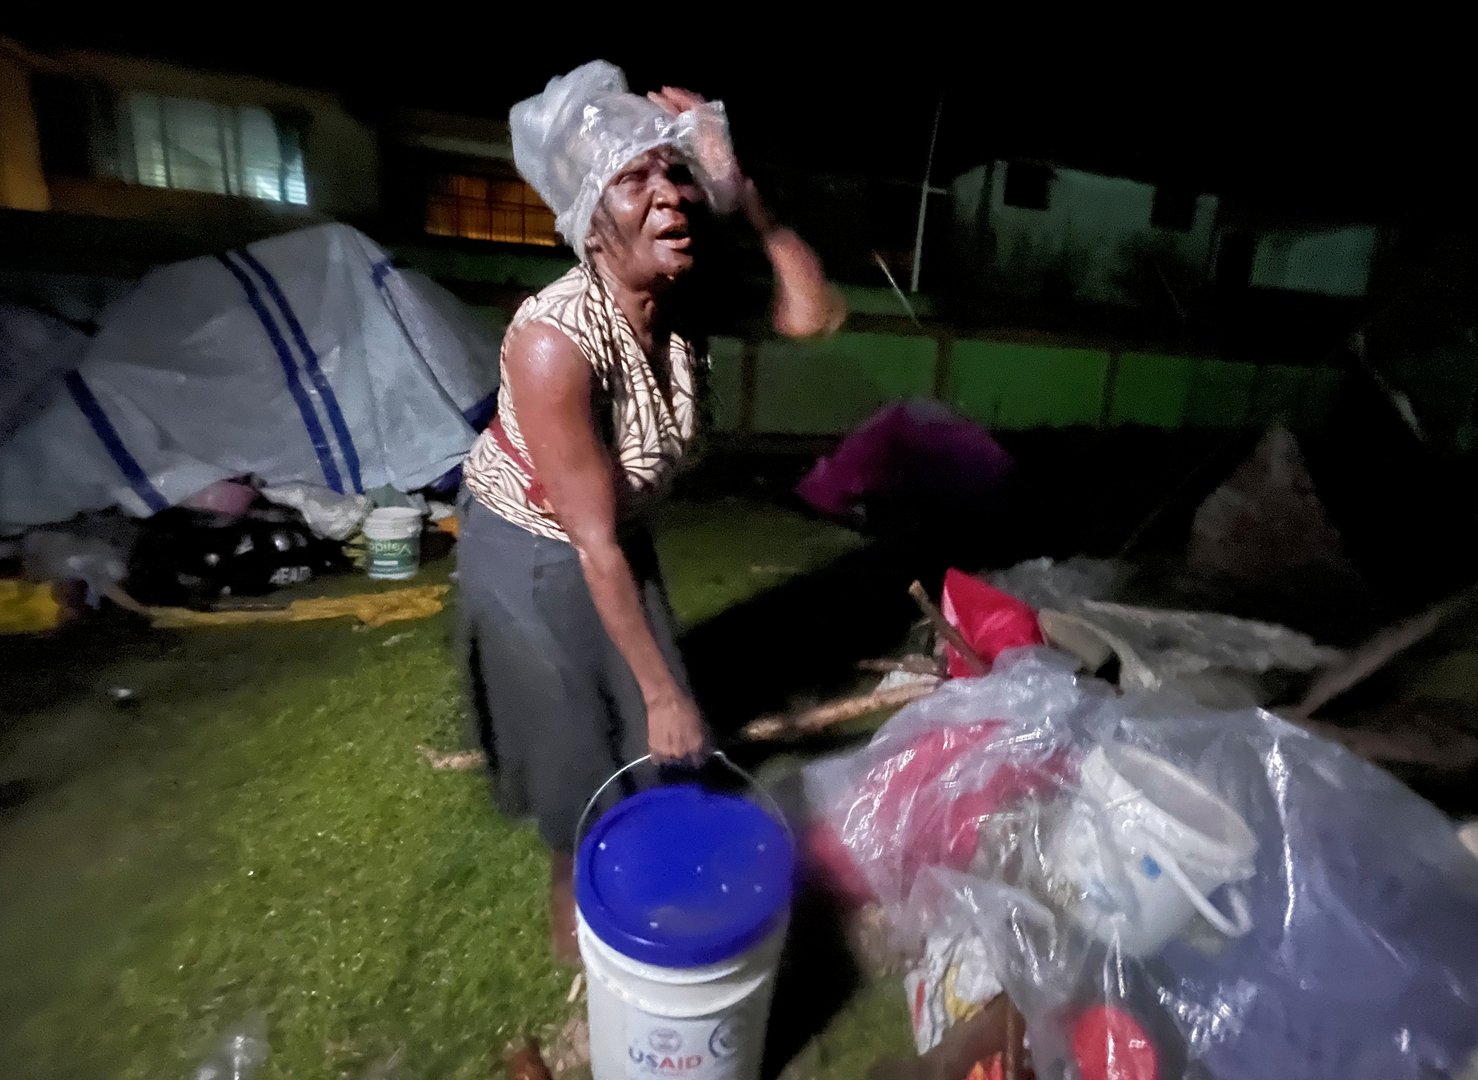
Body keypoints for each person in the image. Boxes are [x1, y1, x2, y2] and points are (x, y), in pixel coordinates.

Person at [456, 60, 845, 962]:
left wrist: (748, 200)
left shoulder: (678, 293)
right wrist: (664, 691)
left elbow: (814, 316)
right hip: (533, 551)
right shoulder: (554, 341)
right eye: (634, 179)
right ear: (588, 216)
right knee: (578, 763)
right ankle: (581, 954)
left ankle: (656, 902)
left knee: (663, 740)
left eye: (673, 173)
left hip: (609, 534)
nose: (670, 197)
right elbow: (591, 545)